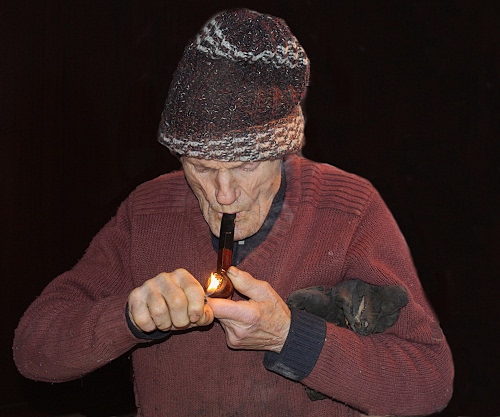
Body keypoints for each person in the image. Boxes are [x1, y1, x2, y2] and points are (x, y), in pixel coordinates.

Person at [13, 8, 454, 417]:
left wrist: (290, 337)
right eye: (202, 168)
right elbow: (34, 349)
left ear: (282, 152)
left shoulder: (348, 210)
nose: (224, 195)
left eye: (246, 166)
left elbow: (429, 379)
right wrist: (130, 316)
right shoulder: (148, 212)